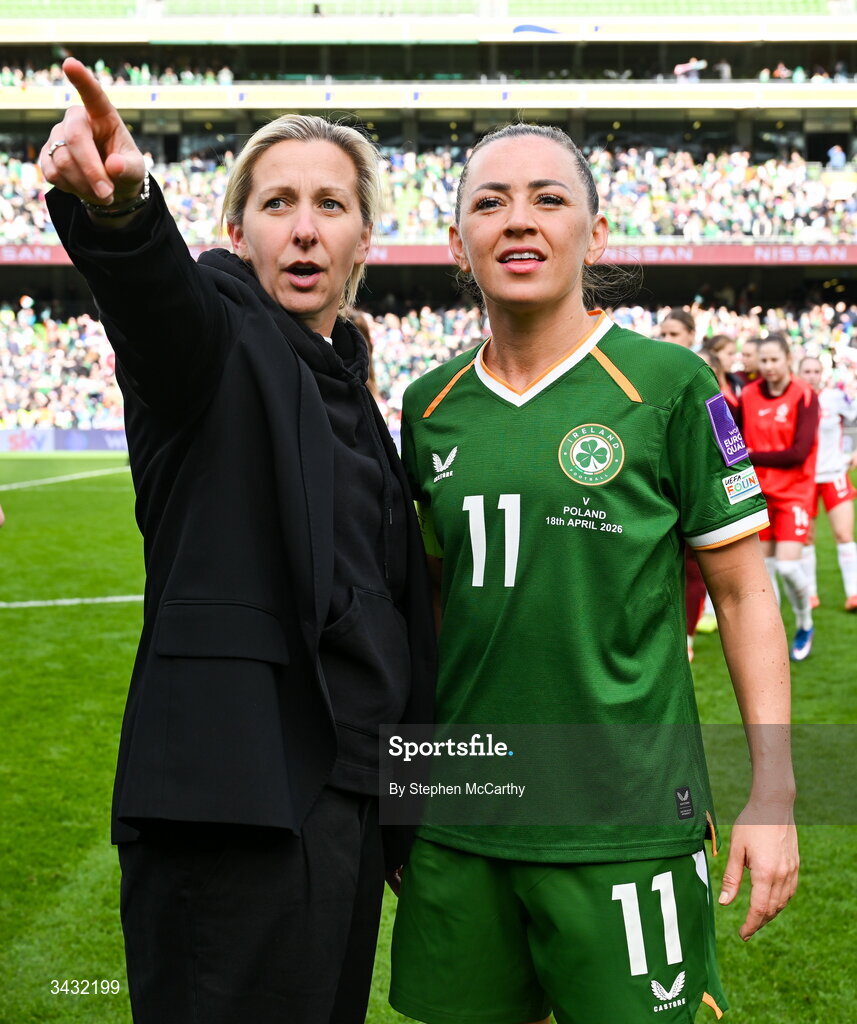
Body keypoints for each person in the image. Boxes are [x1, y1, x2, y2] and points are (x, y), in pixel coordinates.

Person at [41, 58, 434, 1024]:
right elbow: (156, 302)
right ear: (235, 229)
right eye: (278, 203)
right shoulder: (218, 344)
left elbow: (386, 619)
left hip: (345, 799)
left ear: (362, 241)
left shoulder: (355, 391)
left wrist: (413, 806)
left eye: (331, 204)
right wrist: (125, 213)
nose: (304, 226)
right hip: (234, 805)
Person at [390, 123, 798, 1024]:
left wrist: (773, 790)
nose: (518, 220)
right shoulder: (429, 406)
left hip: (624, 820)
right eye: (489, 202)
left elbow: (741, 592)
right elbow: (424, 616)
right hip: (464, 817)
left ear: (597, 233)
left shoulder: (670, 385)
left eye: (548, 198)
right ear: (458, 244)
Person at [738, 335, 819, 660]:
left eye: (775, 360)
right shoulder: (748, 394)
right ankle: (771, 638)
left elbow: (798, 453)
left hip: (794, 494)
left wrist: (753, 454)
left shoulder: (804, 394)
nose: (769, 367)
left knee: (787, 568)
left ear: (788, 358)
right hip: (758, 495)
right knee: (765, 575)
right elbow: (738, 445)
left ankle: (804, 622)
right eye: (764, 361)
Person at [797, 355, 857, 610]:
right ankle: (810, 593)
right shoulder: (794, 400)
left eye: (815, 371)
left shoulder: (836, 398)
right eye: (806, 370)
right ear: (798, 373)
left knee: (844, 534)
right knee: (807, 538)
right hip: (804, 478)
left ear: (822, 373)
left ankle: (853, 593)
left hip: (834, 473)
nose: (811, 375)